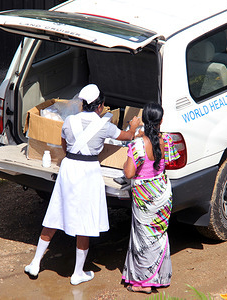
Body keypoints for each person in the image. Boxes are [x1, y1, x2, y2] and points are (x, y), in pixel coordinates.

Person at [24, 84, 141, 285]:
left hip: (69, 168)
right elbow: (128, 137)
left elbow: (63, 145)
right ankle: (78, 273)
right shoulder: (105, 126)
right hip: (89, 171)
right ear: (100, 106)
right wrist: (134, 124)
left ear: (82, 104)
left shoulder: (69, 121)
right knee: (84, 221)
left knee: (54, 213)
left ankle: (35, 263)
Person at [121, 102, 180, 294]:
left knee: (143, 239)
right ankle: (160, 277)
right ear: (161, 121)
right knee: (159, 236)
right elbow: (170, 161)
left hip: (144, 196)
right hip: (162, 192)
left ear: (143, 120)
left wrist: (126, 161)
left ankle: (143, 283)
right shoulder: (168, 140)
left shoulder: (137, 145)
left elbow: (129, 173)